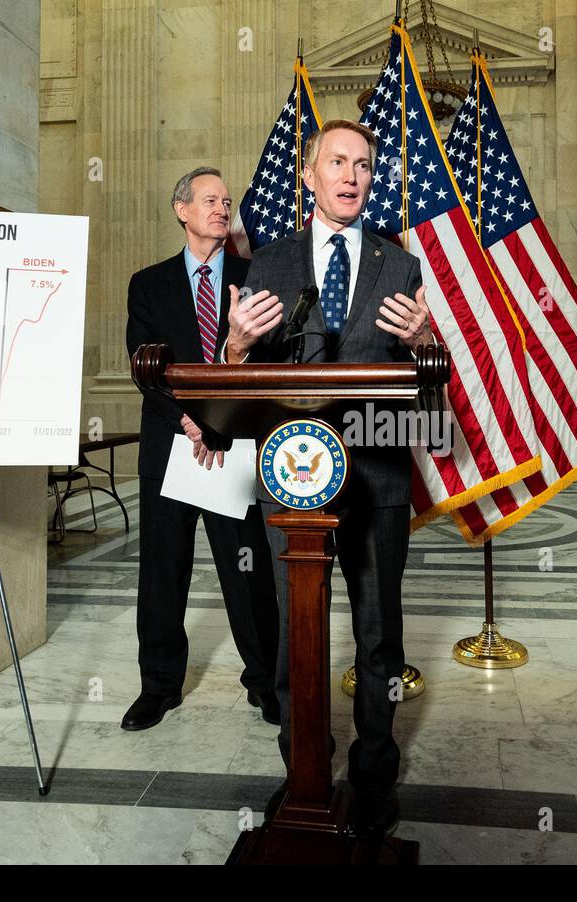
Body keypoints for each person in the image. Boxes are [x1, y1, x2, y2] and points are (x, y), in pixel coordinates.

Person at [223, 120, 434, 837]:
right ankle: (303, 768)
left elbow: (427, 399)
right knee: (295, 636)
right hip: (295, 480)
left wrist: (424, 347)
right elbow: (232, 389)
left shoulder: (399, 264)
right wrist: (237, 344)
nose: (352, 175)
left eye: (364, 165)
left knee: (379, 633)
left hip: (377, 475)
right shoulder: (269, 265)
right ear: (308, 176)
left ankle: (375, 770)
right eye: (337, 162)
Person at [123, 166, 281, 731]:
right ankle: (158, 687)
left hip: (235, 448)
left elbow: (268, 364)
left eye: (227, 200)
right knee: (163, 573)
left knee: (249, 570)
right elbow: (146, 368)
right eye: (210, 199)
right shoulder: (149, 283)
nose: (222, 208)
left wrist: (221, 422)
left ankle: (265, 682)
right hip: (172, 446)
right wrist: (190, 421)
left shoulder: (255, 276)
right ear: (181, 209)